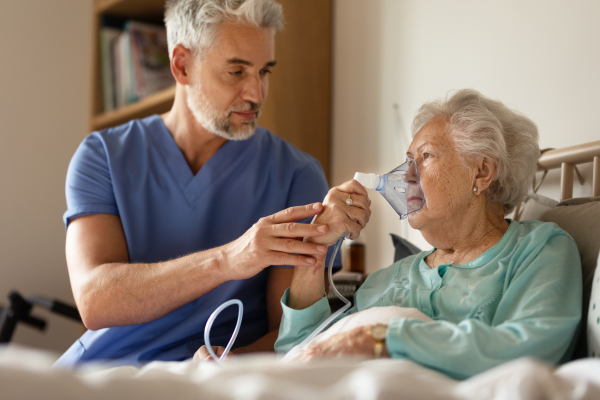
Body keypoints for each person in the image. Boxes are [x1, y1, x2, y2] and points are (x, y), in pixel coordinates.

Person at [55, 0, 339, 368]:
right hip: (100, 371)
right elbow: (95, 301)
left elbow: (293, 334)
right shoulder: (103, 156)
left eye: (264, 71)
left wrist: (231, 361)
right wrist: (231, 259)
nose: (256, 93)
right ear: (181, 65)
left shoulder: (296, 175)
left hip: (209, 377)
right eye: (236, 72)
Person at [275, 89, 583, 380]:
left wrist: (382, 338)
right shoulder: (387, 279)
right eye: (408, 160)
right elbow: (297, 355)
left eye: (425, 157)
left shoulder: (539, 249)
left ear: (482, 172)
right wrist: (315, 244)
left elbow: (531, 349)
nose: (406, 175)